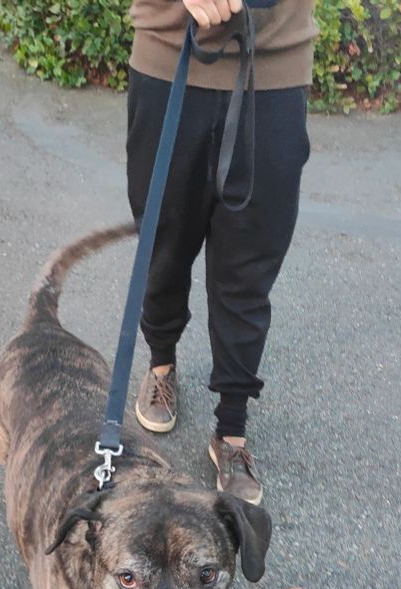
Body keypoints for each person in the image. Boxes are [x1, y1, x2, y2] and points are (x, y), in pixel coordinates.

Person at [127, 0, 317, 504]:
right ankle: (161, 363)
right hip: (168, 57)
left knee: (248, 269)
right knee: (162, 244)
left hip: (274, 69)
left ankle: (231, 430)